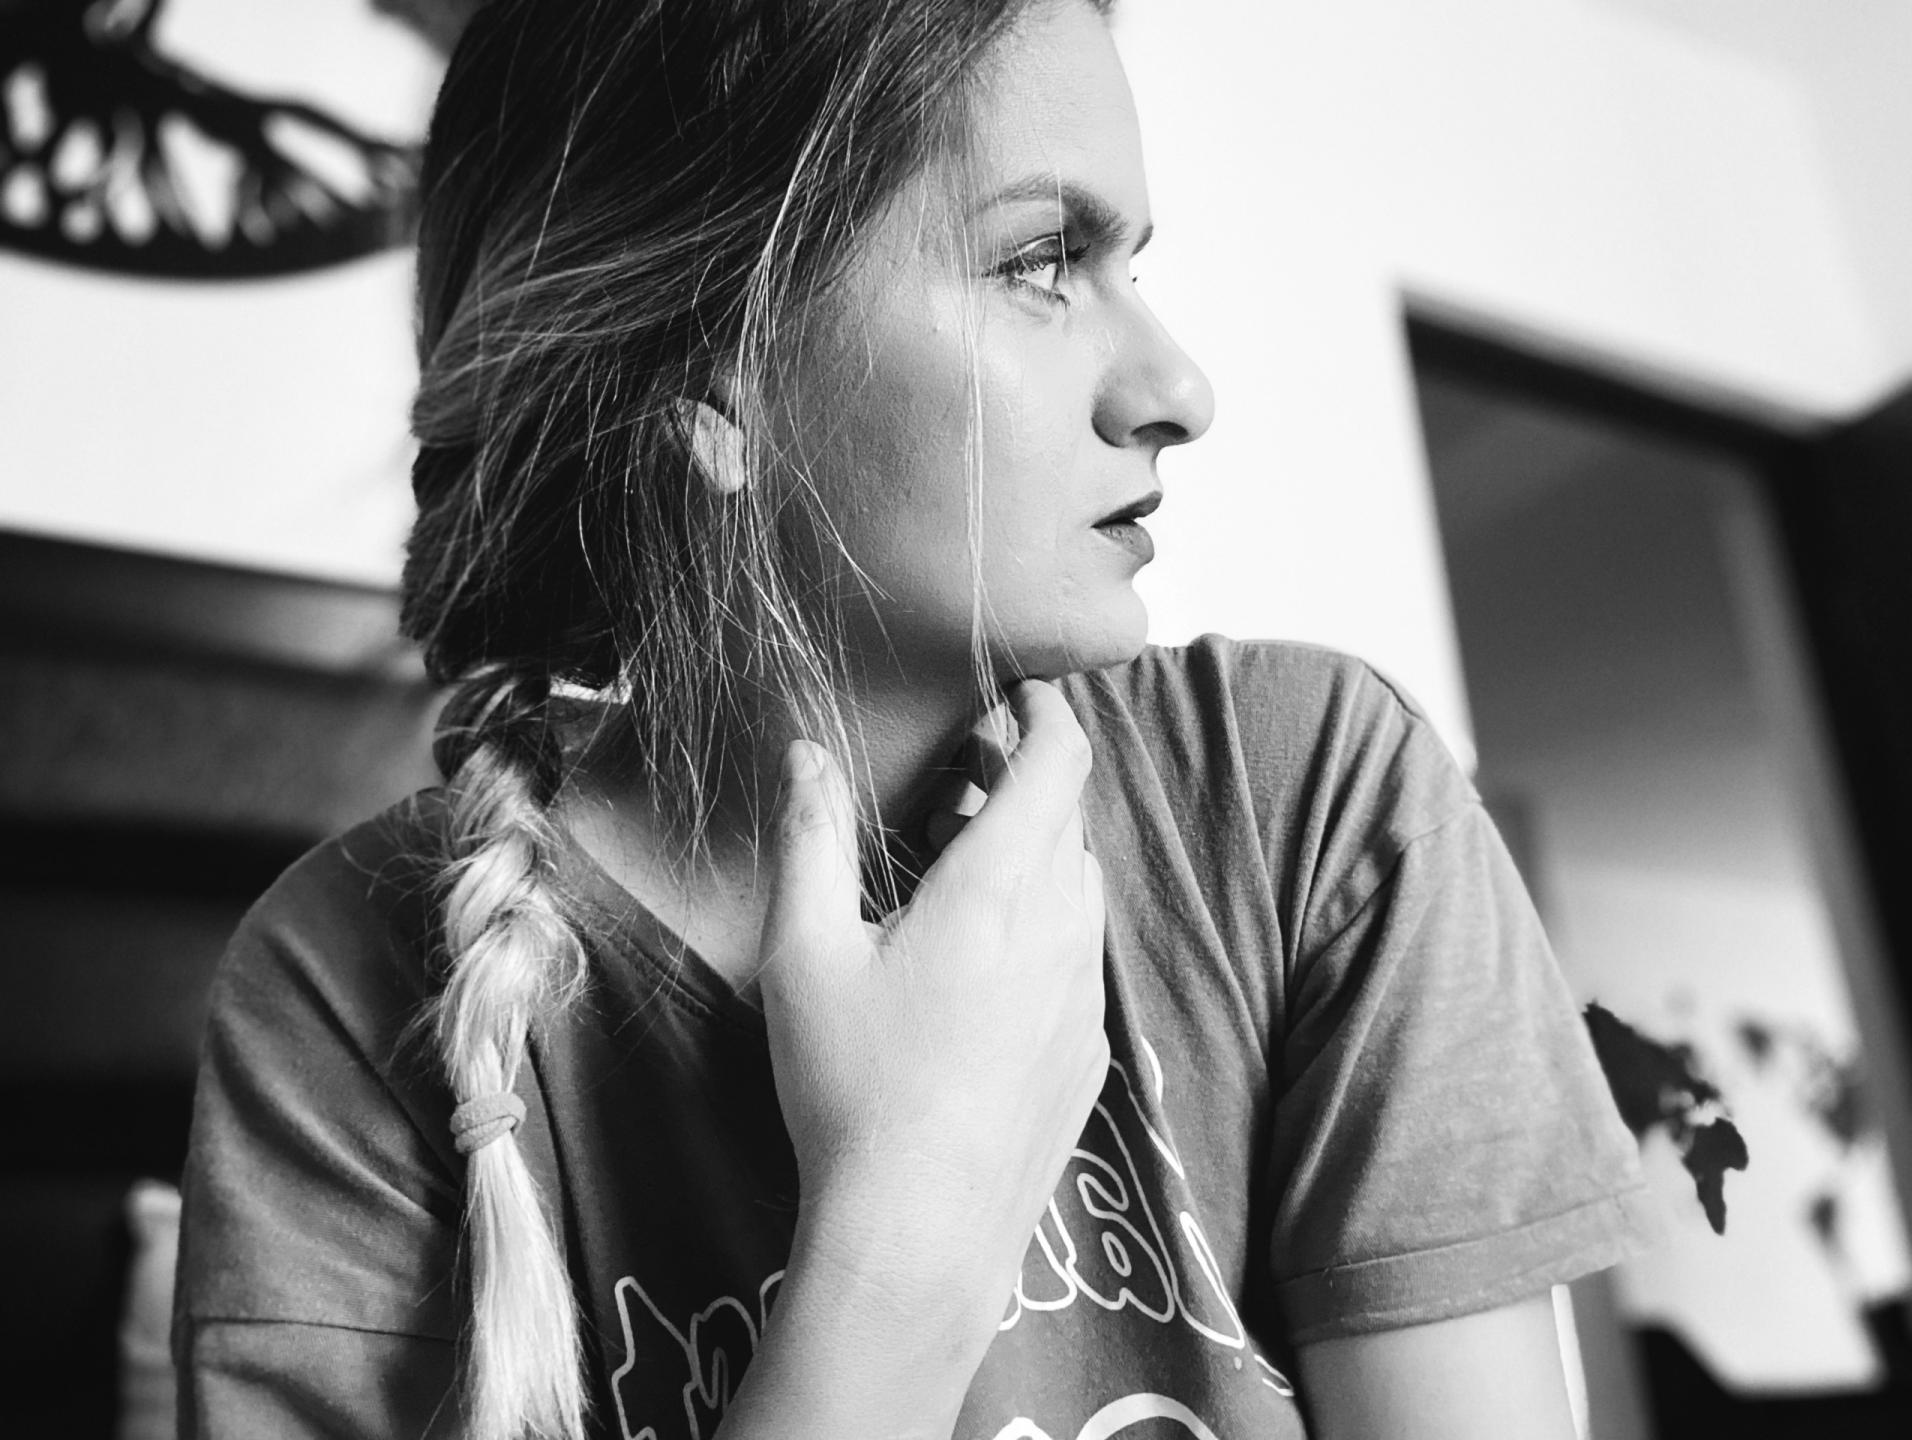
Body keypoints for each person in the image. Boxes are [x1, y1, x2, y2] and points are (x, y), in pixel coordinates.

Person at [174, 1, 1654, 1437]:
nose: (1177, 389)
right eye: (1040, 262)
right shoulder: (341, 999)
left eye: (1129, 264)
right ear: (711, 383)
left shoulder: (1308, 804)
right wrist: (903, 1243)